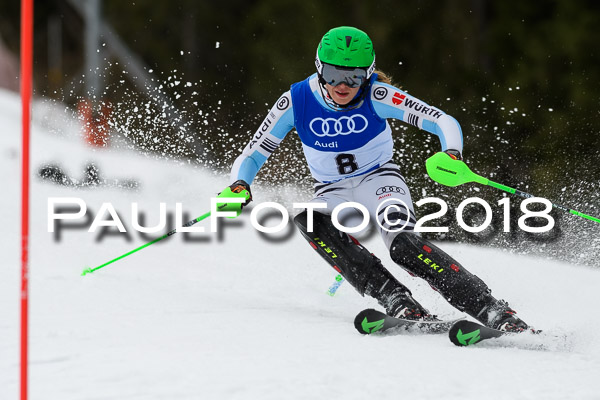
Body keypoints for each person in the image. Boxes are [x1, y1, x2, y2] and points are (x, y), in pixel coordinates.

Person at [218, 26, 530, 332]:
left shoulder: (377, 95)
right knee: (308, 219)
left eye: (353, 76)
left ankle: (489, 307)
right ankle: (395, 298)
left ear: (367, 73)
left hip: (380, 183)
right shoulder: (296, 100)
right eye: (333, 74)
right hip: (332, 192)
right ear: (319, 69)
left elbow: (441, 120)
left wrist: (451, 153)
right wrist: (239, 184)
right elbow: (253, 154)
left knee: (402, 244)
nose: (342, 85)